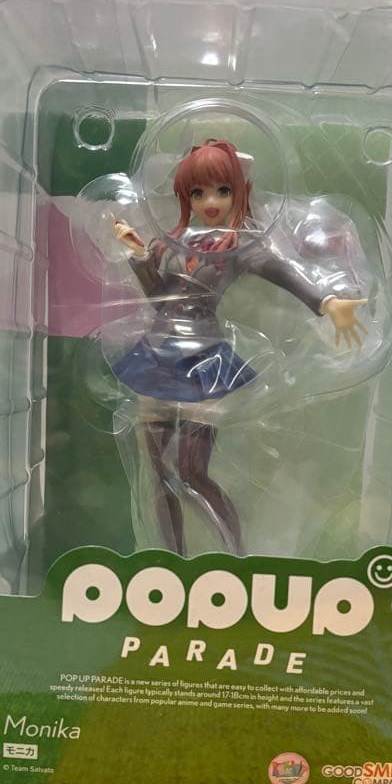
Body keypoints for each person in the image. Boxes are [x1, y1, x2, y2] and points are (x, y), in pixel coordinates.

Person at [110, 139, 367, 555]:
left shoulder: (238, 247)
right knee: (158, 476)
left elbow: (281, 270)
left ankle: (236, 555)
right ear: (186, 197)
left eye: (222, 191)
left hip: (203, 361)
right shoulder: (167, 245)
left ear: (238, 193)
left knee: (192, 473)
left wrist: (326, 302)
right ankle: (171, 561)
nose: (210, 202)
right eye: (199, 193)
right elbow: (160, 299)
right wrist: (139, 257)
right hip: (156, 357)